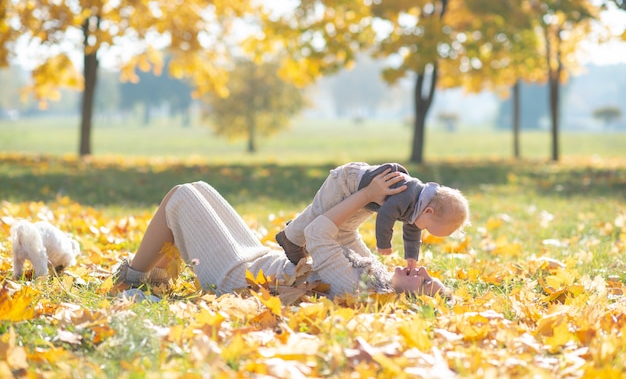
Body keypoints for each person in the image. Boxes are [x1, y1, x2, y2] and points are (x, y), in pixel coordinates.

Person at [113, 169, 450, 299]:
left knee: (182, 196)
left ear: (412, 299)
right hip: (259, 259)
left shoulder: (359, 288)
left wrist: (364, 197)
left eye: (424, 282)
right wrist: (374, 193)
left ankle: (132, 277)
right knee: (196, 188)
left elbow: (319, 233)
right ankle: (150, 276)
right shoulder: (375, 277)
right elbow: (343, 234)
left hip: (237, 277)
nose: (421, 269)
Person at [275, 162, 470, 270]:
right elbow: (385, 216)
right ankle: (290, 238)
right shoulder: (406, 195)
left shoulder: (421, 207)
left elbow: (412, 231)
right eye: (427, 228)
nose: (422, 230)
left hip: (364, 197)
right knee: (321, 214)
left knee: (335, 224)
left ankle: (299, 229)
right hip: (346, 182)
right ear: (429, 211)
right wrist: (384, 244)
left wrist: (411, 256)